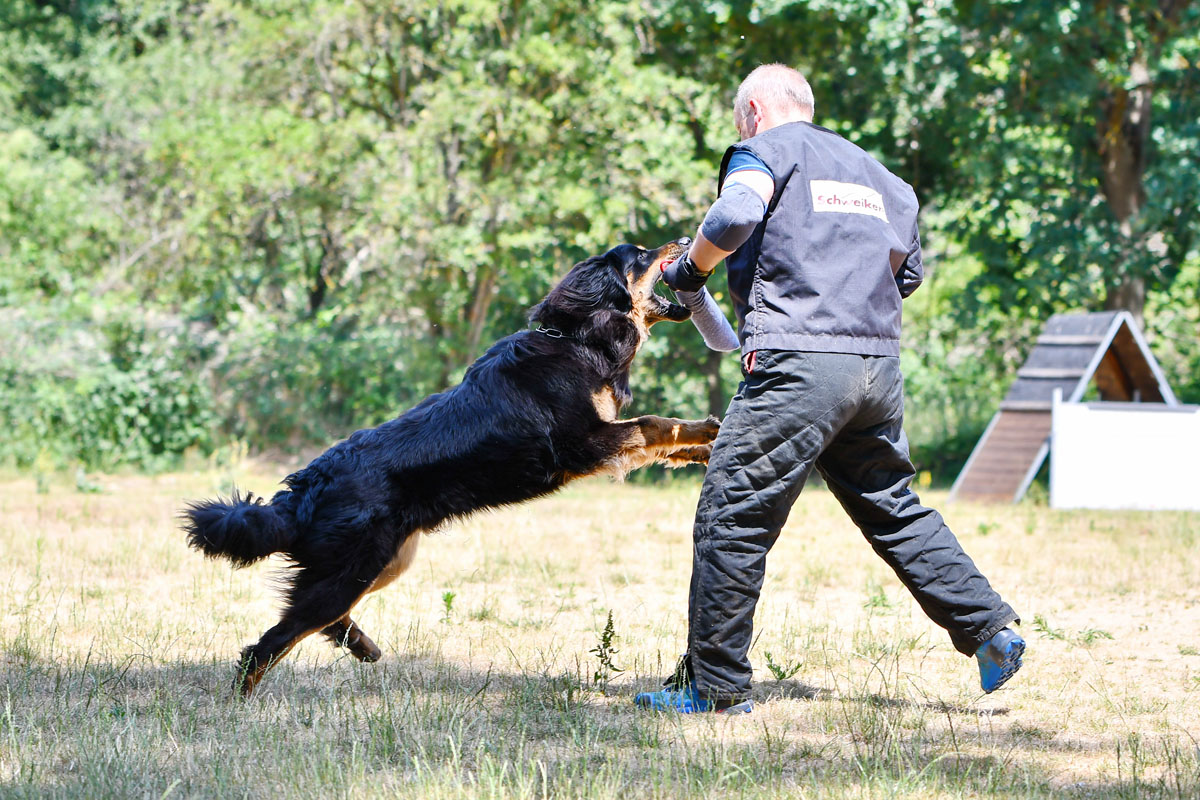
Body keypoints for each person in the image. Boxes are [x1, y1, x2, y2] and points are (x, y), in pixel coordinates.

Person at [635, 64, 1024, 715]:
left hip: (798, 363)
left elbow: (734, 214)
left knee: (732, 512)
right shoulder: (884, 178)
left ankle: (717, 689)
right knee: (892, 506)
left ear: (754, 109)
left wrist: (688, 267)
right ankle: (989, 630)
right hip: (876, 368)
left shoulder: (766, 151)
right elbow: (909, 276)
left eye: (740, 120)